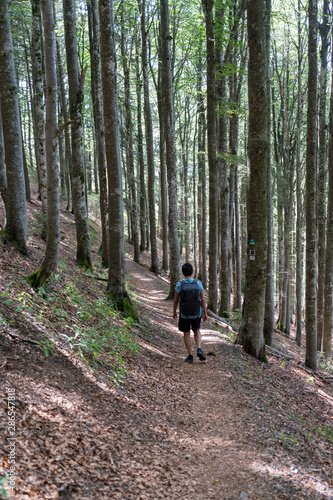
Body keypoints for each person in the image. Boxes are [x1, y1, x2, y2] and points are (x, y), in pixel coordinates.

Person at [173, 263, 208, 363]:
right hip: (197, 313)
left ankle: (190, 355)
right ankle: (199, 348)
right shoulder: (198, 284)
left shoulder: (180, 284)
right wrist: (205, 313)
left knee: (186, 333)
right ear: (192, 272)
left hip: (184, 314)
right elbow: (203, 300)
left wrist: (174, 312)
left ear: (183, 272)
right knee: (196, 330)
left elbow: (176, 300)